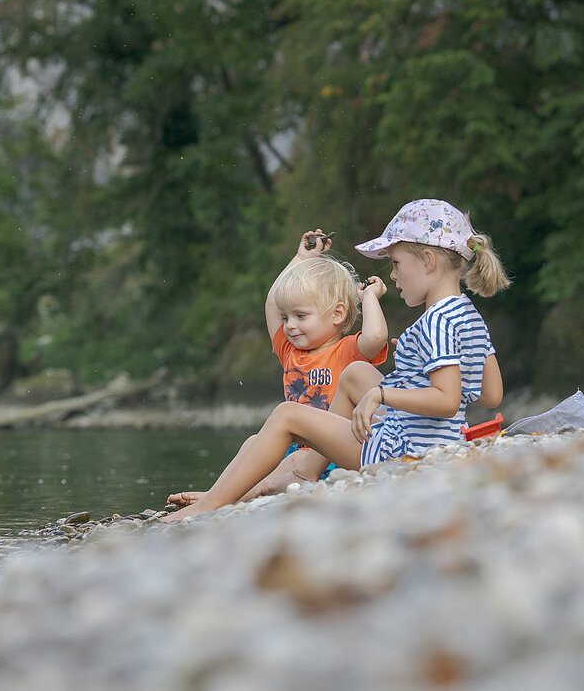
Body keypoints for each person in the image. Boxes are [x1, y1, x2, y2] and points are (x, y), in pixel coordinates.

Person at [163, 199, 509, 520]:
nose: (393, 274)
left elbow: (447, 401)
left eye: (396, 263)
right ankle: (304, 472)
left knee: (286, 414)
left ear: (428, 262)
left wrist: (382, 395)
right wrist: (415, 372)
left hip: (405, 450)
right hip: (436, 440)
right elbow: (490, 395)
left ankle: (211, 504)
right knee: (357, 372)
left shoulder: (436, 320)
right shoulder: (467, 314)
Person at [166, 229, 392, 507]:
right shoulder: (290, 351)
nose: (290, 325)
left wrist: (369, 297)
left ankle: (223, 499)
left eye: (300, 315)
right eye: (286, 318)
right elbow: (272, 304)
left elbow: (376, 337)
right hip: (296, 449)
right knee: (252, 442)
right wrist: (300, 258)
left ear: (337, 314)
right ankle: (219, 493)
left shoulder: (348, 349)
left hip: (331, 454)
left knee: (297, 459)